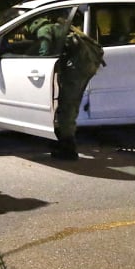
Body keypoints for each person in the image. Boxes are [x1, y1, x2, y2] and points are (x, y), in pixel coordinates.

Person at [27, 13, 103, 160]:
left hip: (78, 67)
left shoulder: (43, 31)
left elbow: (44, 54)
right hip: (85, 64)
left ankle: (68, 148)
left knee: (67, 105)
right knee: (70, 103)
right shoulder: (54, 26)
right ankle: (64, 139)